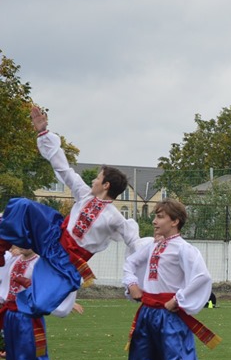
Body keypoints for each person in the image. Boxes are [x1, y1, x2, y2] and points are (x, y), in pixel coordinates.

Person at [0, 106, 141, 316]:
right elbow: (64, 169)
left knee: (40, 304)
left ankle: (14, 309)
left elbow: (135, 244)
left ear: (106, 185)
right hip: (52, 236)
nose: (93, 180)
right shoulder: (84, 194)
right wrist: (43, 132)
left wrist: (132, 281)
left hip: (66, 261)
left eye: (97, 178)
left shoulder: (117, 219)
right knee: (22, 205)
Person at [114, 200, 218, 360]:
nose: (154, 221)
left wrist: (178, 300)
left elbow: (202, 277)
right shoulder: (150, 245)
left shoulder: (185, 249)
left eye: (160, 216)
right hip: (147, 316)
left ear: (175, 221)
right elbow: (130, 264)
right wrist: (131, 284)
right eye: (155, 216)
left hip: (170, 318)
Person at [0, 248, 78, 360]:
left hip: (28, 319)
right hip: (10, 316)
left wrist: (29, 285)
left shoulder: (41, 263)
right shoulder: (15, 260)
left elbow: (49, 289)